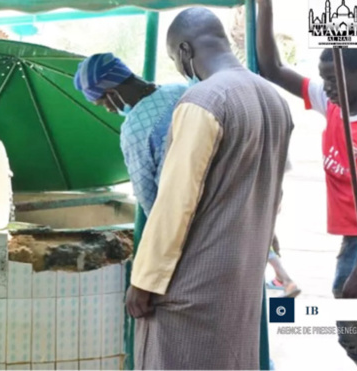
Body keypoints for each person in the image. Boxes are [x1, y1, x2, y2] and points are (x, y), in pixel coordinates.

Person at [125, 7, 293, 369]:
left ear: (185, 51)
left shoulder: (204, 101)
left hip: (193, 286)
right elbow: (273, 196)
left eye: (176, 59)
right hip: (243, 279)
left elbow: (175, 201)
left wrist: (144, 280)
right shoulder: (275, 100)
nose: (181, 70)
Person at [256, 0, 357, 367]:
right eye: (324, 80)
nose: (326, 88)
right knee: (354, 325)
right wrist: (265, 7)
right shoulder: (333, 102)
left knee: (353, 313)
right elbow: (272, 68)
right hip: (352, 236)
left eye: (334, 81)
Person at [72, 53, 187, 215]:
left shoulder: (135, 127)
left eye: (102, 103)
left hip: (184, 212)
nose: (108, 109)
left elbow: (146, 193)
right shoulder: (182, 89)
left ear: (111, 93)